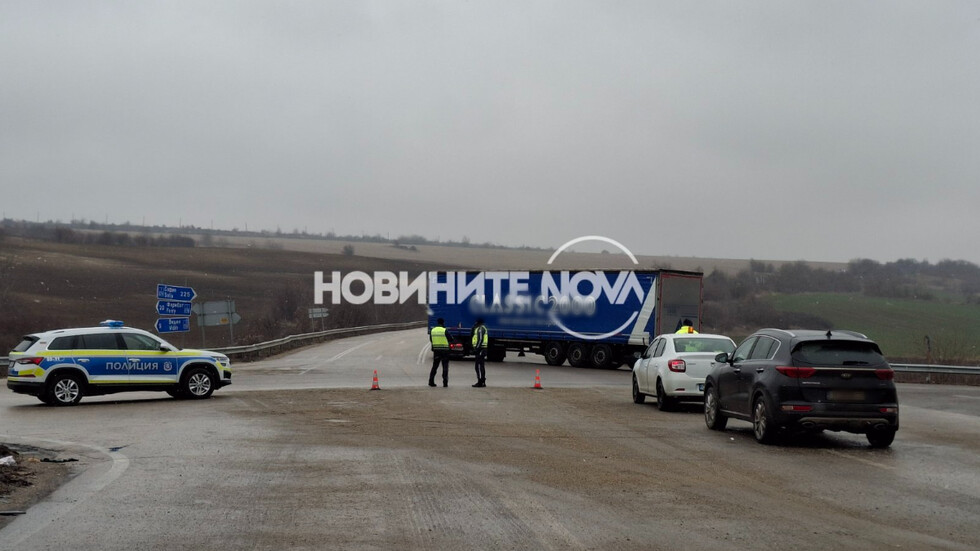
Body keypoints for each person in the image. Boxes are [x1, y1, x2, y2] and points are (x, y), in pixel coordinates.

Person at [429, 318, 451, 387]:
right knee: (445, 366)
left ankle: (431, 381)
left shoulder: (433, 330)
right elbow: (451, 339)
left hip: (436, 350)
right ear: (443, 323)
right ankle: (445, 382)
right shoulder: (444, 330)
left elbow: (431, 339)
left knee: (435, 366)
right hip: (444, 351)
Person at [471, 318, 488, 387]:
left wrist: (477, 348)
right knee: (481, 365)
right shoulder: (482, 328)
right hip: (482, 349)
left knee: (478, 366)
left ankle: (480, 381)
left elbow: (480, 339)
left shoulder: (480, 329)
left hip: (480, 349)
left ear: (478, 322)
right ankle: (482, 381)